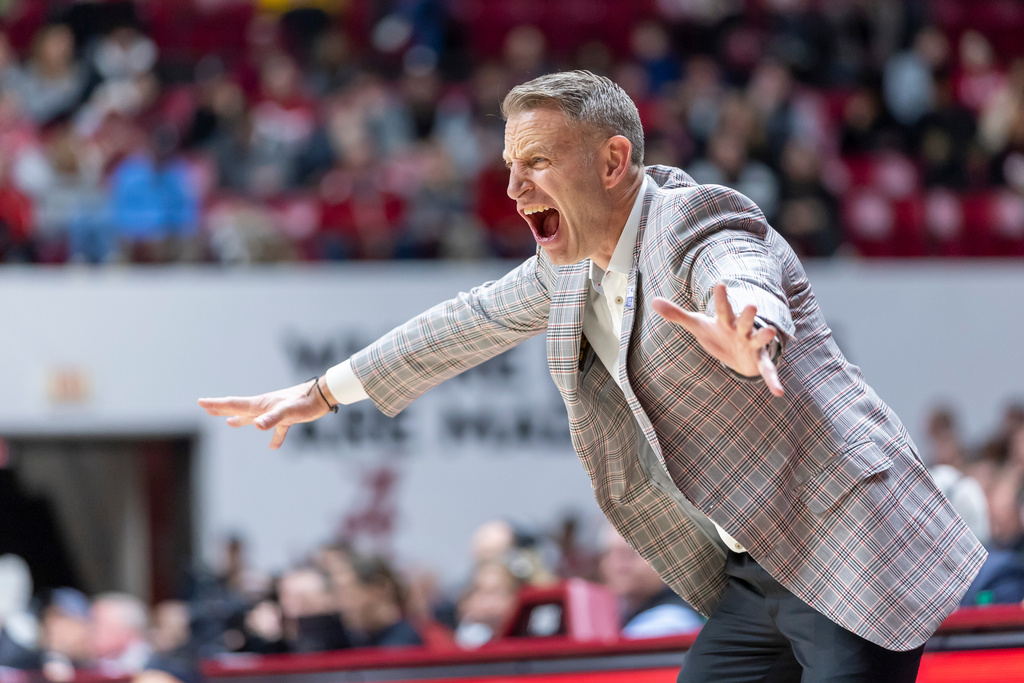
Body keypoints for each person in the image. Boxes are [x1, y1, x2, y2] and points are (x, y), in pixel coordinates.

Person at [200, 70, 986, 681]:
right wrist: (324, 389)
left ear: (614, 161)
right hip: (762, 567)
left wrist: (754, 333)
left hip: (847, 534)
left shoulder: (692, 217)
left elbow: (741, 266)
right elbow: (460, 324)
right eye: (510, 165)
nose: (512, 190)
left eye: (537, 162)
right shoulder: (566, 268)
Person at [598, 525, 703, 639]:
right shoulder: (616, 612)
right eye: (608, 554)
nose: (617, 566)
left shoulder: (670, 623)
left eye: (629, 554)